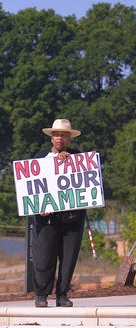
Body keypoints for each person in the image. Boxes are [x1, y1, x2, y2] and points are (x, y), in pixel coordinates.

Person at [29, 119, 87, 308]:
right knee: (44, 258)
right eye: (56, 134)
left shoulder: (78, 159)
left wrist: (69, 159)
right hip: (45, 219)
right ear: (51, 138)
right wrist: (39, 207)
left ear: (69, 138)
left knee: (68, 258)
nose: (59, 138)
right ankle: (41, 295)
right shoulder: (38, 157)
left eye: (63, 134)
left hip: (72, 219)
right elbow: (31, 188)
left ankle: (62, 295)